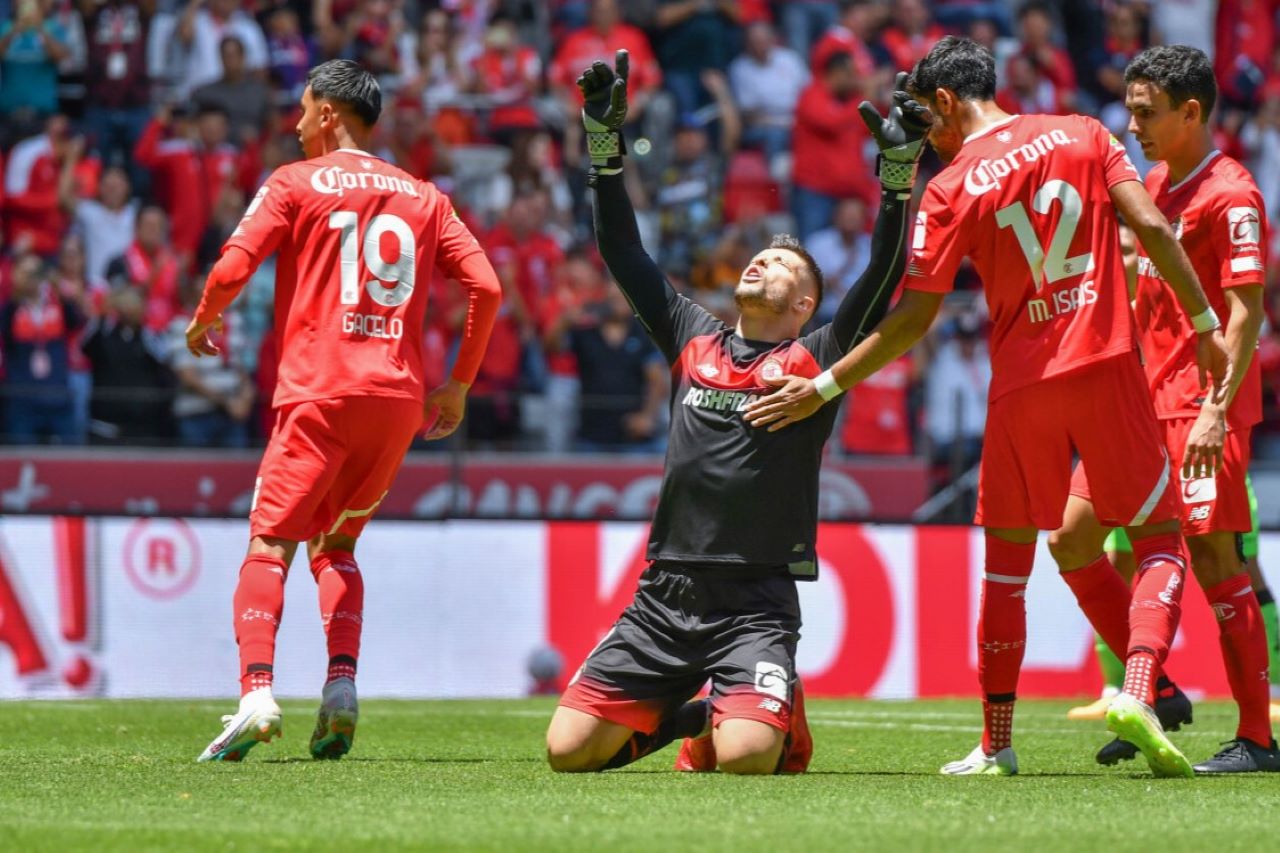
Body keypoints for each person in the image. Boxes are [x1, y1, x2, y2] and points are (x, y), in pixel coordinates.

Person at [744, 37, 1231, 778]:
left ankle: (997, 742)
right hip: (1105, 365)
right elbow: (1155, 229)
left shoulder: (950, 187)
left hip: (1020, 384)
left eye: (927, 119)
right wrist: (1204, 325)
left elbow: (911, 318)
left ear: (945, 103)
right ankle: (1138, 686)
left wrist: (822, 384)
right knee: (1160, 539)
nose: (927, 136)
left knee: (1005, 570)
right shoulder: (1083, 130)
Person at [544, 51, 930, 775]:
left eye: (784, 266)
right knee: (566, 752)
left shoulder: (819, 358)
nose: (762, 263)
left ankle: (763, 717)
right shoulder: (692, 335)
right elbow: (622, 250)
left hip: (754, 602)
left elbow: (882, 276)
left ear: (805, 305)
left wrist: (896, 183)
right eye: (759, 257)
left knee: (747, 760)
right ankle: (701, 710)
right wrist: (605, 148)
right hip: (663, 594)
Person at [190, 59, 502, 763]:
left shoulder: (294, 182)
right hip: (396, 400)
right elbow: (486, 284)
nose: (296, 124)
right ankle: (340, 685)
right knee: (336, 544)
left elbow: (234, 265)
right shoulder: (424, 195)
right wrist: (457, 384)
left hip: (319, 391)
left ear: (329, 112)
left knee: (270, 542)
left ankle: (256, 693)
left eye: (303, 110)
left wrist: (203, 317)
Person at [1051, 46, 1277, 773]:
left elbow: (1247, 315)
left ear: (1192, 111)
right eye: (1130, 107)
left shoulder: (1231, 194)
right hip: (1141, 403)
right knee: (1070, 536)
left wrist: (1215, 409)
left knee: (1215, 560)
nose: (1132, 122)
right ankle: (1163, 694)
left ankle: (1258, 738)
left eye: (1146, 111)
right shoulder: (1155, 182)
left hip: (1199, 406)